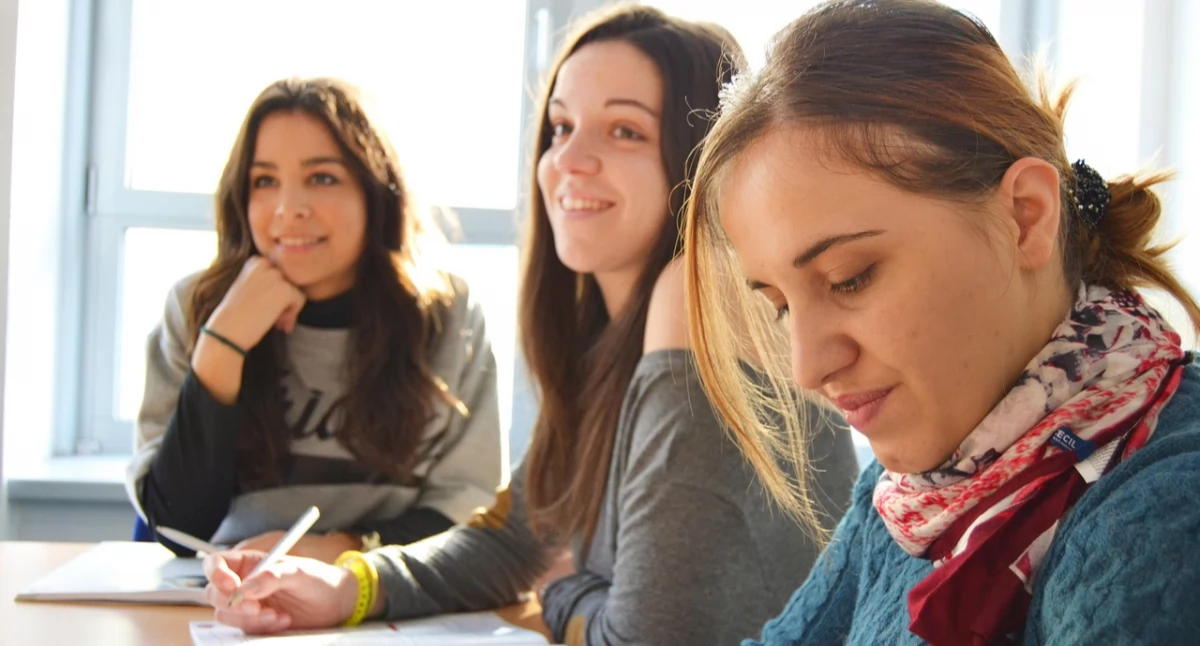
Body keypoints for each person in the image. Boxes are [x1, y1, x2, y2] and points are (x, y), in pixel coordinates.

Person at [201, 7, 859, 645]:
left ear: (697, 155)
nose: (569, 160)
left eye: (624, 131)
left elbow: (647, 637)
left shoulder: (695, 294)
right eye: (560, 128)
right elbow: (518, 538)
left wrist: (563, 592)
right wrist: (349, 587)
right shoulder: (608, 333)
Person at [684, 0, 1200, 644]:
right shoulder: (921, 483)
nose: (807, 367)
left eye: (850, 277)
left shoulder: (1159, 520)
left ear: (1026, 216)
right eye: (781, 306)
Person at [126, 77, 502, 564]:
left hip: (389, 595)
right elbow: (177, 529)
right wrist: (221, 346)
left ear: (375, 192)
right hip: (223, 598)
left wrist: (338, 550)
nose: (288, 209)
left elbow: (468, 509)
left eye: (322, 178)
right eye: (264, 181)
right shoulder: (196, 306)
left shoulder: (447, 315)